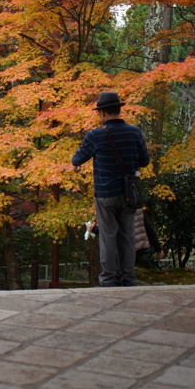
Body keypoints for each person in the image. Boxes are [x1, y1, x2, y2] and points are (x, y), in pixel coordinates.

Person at [71, 91, 150, 287]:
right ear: (118, 109)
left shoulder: (96, 135)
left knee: (108, 236)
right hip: (129, 193)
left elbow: (77, 159)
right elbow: (145, 161)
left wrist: (76, 164)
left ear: (103, 112)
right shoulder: (134, 132)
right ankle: (128, 278)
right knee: (127, 235)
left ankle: (108, 279)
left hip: (105, 193)